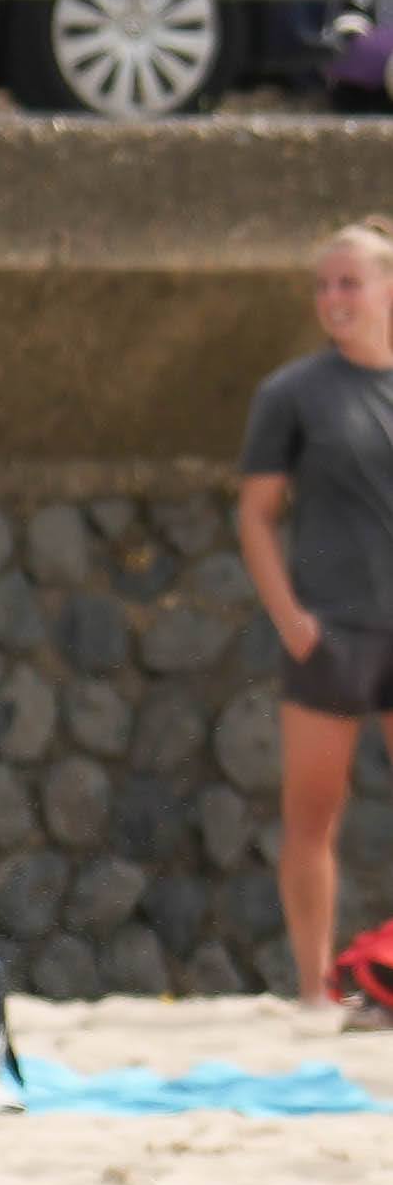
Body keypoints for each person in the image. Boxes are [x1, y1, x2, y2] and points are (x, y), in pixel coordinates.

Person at [235, 217, 393, 1021]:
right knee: (312, 811)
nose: (334, 298)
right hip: (330, 625)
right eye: (324, 284)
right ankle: (311, 986)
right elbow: (257, 514)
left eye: (350, 282)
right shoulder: (293, 393)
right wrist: (290, 615)